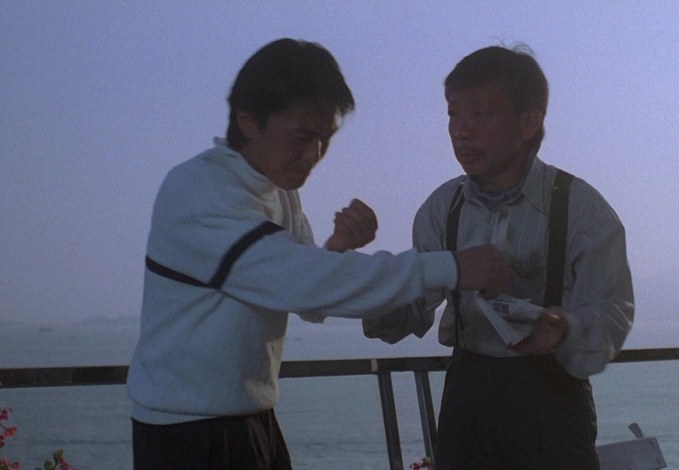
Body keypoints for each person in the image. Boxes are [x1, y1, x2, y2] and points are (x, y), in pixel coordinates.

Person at [126, 38, 510, 470]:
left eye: (325, 140)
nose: (313, 156)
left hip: (252, 419)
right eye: (302, 137)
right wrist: (453, 266)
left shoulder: (277, 191)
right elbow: (307, 285)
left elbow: (305, 297)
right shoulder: (200, 192)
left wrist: (336, 250)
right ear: (248, 121)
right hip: (187, 433)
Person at [363, 44, 634, 469]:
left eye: (480, 114)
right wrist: (370, 293)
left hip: (553, 404)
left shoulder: (580, 208)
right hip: (467, 399)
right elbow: (412, 311)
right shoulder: (442, 208)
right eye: (453, 114)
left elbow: (611, 313)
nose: (461, 131)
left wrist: (564, 331)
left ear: (528, 122)